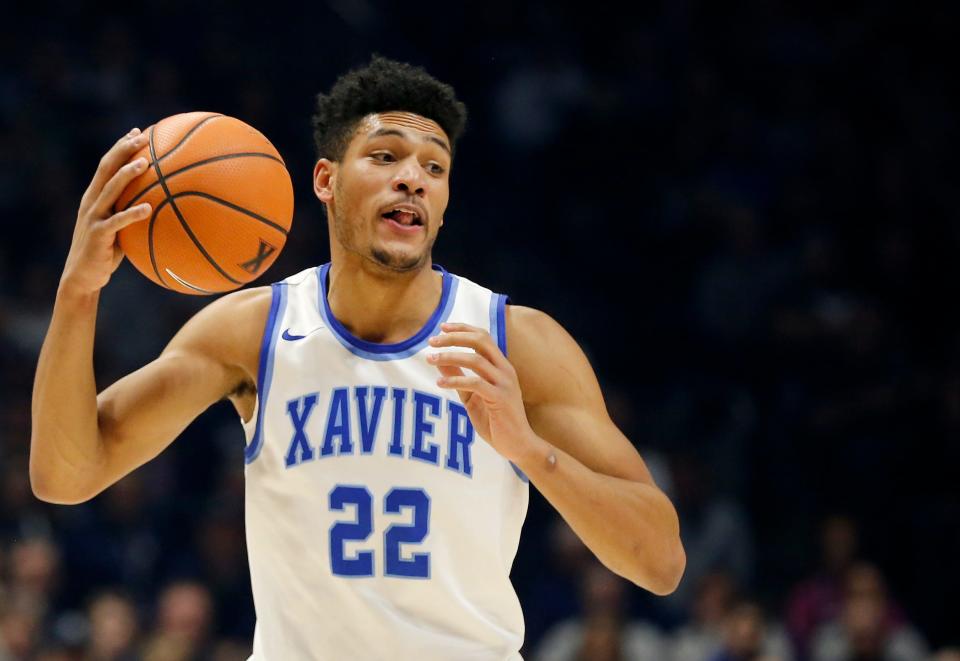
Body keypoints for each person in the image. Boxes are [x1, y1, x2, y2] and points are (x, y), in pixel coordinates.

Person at [30, 56, 685, 660]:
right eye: (386, 154)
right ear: (326, 178)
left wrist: (526, 448)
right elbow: (66, 472)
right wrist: (78, 292)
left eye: (435, 167)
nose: (413, 177)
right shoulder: (251, 331)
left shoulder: (516, 342)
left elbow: (660, 560)